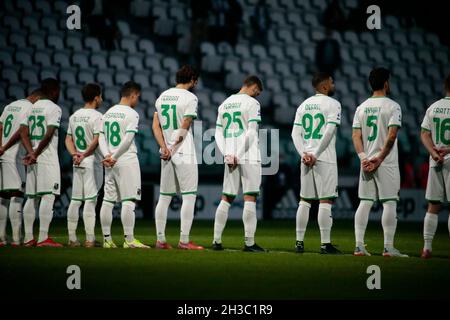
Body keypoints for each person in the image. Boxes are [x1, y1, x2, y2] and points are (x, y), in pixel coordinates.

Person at [352, 67, 408, 257]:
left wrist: (364, 159)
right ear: (386, 83)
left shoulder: (361, 107)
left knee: (365, 202)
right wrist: (380, 159)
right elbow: (391, 137)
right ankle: (388, 248)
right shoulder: (393, 106)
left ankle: (359, 246)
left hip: (366, 161)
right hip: (386, 162)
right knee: (389, 202)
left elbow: (355, 135)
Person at [212, 75, 266, 252]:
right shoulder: (252, 104)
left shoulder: (224, 104)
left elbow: (218, 133)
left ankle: (216, 241)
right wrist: (239, 154)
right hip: (248, 154)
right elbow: (251, 132)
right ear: (252, 87)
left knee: (226, 197)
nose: (256, 96)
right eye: (257, 92)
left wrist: (227, 153)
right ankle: (249, 243)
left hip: (230, 156)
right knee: (250, 197)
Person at [153, 65, 203, 250]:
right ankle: (183, 241)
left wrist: (164, 147)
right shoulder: (191, 97)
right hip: (182, 149)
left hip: (165, 152)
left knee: (164, 197)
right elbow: (186, 123)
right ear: (192, 79)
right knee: (189, 196)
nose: (196, 84)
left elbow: (155, 125)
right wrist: (173, 147)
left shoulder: (162, 96)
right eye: (195, 80)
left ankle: (160, 240)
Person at [291, 72, 342, 254]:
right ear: (325, 86)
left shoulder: (303, 105)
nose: (334, 84)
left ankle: (299, 242)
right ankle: (325, 244)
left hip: (306, 159)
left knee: (304, 201)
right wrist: (316, 154)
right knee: (325, 201)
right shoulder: (334, 104)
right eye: (332, 81)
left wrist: (304, 154)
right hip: (324, 157)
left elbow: (294, 134)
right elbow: (328, 132)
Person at [98, 81, 148, 248]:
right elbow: (128, 140)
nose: (138, 100)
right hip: (125, 159)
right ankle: (129, 240)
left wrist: (107, 155)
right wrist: (116, 156)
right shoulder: (132, 114)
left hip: (109, 161)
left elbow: (101, 137)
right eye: (138, 97)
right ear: (133, 95)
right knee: (129, 199)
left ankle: (107, 240)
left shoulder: (108, 113)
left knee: (108, 200)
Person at [22, 78, 63, 247]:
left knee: (31, 197)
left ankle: (28, 238)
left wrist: (30, 152)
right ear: (53, 91)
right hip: (46, 158)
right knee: (48, 195)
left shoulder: (31, 108)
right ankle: (43, 237)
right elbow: (49, 133)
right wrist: (37, 153)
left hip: (32, 158)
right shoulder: (54, 108)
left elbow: (23, 132)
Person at [0, 89, 41, 246]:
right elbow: (21, 131)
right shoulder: (29, 108)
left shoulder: (10, 106)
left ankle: (2, 238)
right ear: (36, 98)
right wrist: (5, 146)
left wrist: (0, 147)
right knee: (17, 195)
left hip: (3, 156)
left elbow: (1, 127)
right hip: (14, 156)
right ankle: (17, 238)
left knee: (3, 196)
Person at [65, 83, 104, 248]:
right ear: (96, 98)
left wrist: (75, 154)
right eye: (100, 96)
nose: (101, 99)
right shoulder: (97, 116)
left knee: (75, 200)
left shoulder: (74, 116)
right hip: (90, 161)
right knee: (90, 200)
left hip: (77, 161)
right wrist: (84, 155)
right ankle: (90, 239)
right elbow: (96, 140)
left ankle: (72, 238)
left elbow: (68, 139)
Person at [419, 74, 450, 259]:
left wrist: (433, 152)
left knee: (433, 205)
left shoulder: (434, 107)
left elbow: (424, 133)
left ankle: (427, 248)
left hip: (435, 160)